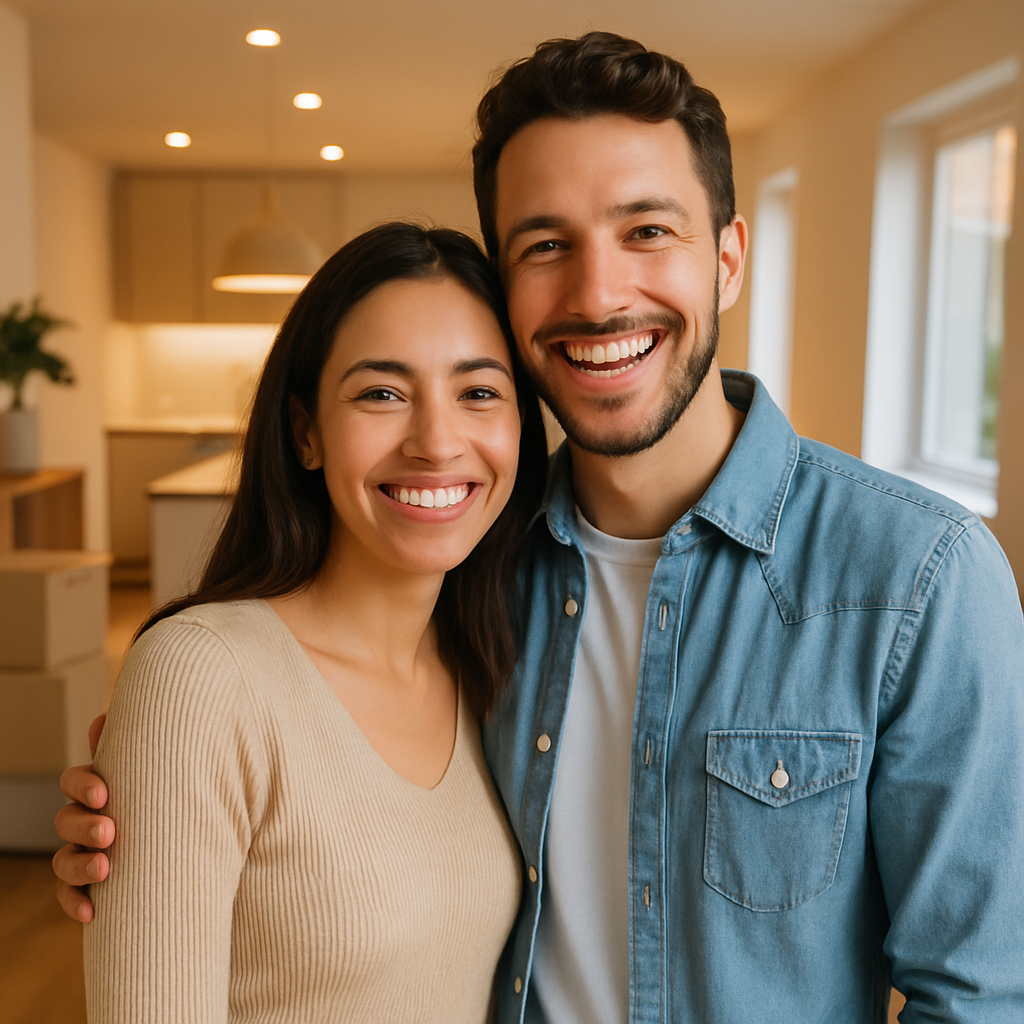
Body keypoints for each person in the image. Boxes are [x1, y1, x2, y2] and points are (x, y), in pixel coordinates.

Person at [55, 32, 1024, 1024]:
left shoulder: (919, 579)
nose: (599, 294)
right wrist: (157, 804)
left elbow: (979, 997)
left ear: (727, 259)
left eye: (646, 231)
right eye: (547, 244)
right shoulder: (474, 570)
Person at [71, 220, 548, 1023]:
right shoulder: (202, 676)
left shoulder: (493, 664)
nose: (437, 441)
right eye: (381, 393)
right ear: (306, 432)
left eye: (478, 392)